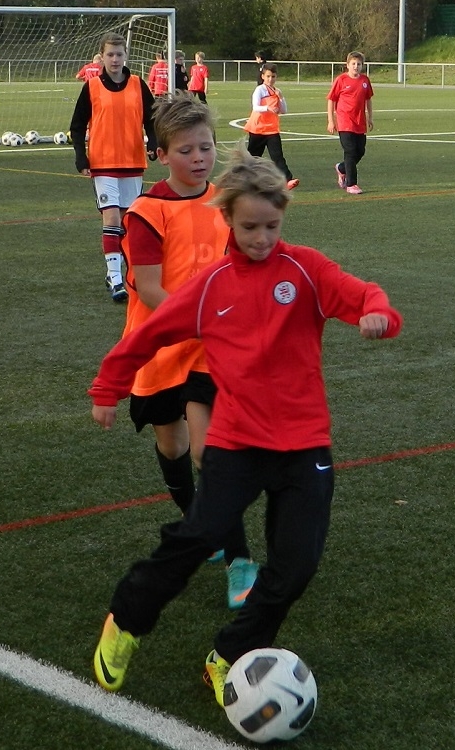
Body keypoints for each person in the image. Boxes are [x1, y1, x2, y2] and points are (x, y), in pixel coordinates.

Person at [89, 147, 402, 705]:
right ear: (228, 219)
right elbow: (149, 335)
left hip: (304, 445)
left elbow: (363, 294)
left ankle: (230, 654)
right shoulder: (211, 286)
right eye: (250, 227)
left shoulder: (306, 269)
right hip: (236, 443)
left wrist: (379, 314)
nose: (261, 238)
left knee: (295, 568)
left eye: (271, 227)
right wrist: (107, 387)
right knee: (197, 538)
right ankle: (127, 620)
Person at [120, 91, 257, 609]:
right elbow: (150, 287)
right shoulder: (147, 211)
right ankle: (201, 523)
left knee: (207, 450)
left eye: (206, 147)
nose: (199, 158)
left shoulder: (223, 201)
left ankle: (241, 561)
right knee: (173, 447)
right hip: (160, 343)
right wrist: (201, 319)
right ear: (161, 155)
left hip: (207, 348)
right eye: (186, 150)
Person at [69, 32, 157, 303]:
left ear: (126, 56)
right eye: (110, 54)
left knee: (128, 222)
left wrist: (154, 143)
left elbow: (152, 119)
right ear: (102, 57)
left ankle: (128, 274)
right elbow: (77, 125)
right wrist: (81, 157)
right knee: (111, 220)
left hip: (133, 162)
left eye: (119, 54)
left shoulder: (138, 84)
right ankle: (115, 277)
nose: (115, 59)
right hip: (103, 162)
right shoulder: (92, 86)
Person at [245, 63, 299, 190]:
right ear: (263, 76)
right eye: (268, 76)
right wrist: (268, 108)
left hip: (272, 130)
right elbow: (256, 107)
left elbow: (284, 110)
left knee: (277, 156)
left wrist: (281, 98)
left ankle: (288, 180)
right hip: (258, 129)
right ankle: (244, 180)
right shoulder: (259, 90)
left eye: (273, 76)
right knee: (252, 157)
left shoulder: (277, 91)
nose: (271, 79)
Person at [328, 51, 374, 196]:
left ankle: (342, 168)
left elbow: (368, 99)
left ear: (362, 66)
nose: (356, 66)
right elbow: (331, 100)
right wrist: (331, 120)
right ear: (347, 65)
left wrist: (370, 117)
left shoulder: (365, 80)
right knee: (350, 151)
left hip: (359, 121)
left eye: (358, 64)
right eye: (353, 63)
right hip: (344, 121)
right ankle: (351, 184)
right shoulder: (341, 80)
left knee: (360, 151)